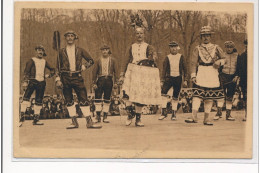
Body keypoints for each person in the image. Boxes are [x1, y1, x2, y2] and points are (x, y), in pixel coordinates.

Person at [55, 30, 101, 129]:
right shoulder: (61, 51)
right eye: (68, 36)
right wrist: (58, 79)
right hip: (65, 77)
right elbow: (57, 67)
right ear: (65, 38)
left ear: (75, 38)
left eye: (72, 36)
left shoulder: (80, 50)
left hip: (77, 77)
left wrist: (83, 67)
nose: (70, 38)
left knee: (83, 98)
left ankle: (89, 122)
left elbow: (91, 60)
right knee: (68, 100)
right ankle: (74, 122)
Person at [185, 26, 226, 126]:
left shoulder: (216, 47)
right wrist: (193, 75)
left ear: (210, 36)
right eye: (203, 36)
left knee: (209, 96)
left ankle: (207, 118)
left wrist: (219, 62)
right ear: (201, 37)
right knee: (197, 95)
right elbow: (193, 63)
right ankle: (193, 116)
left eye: (207, 35)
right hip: (202, 72)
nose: (205, 38)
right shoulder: (197, 48)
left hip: (212, 72)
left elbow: (224, 59)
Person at [120, 27, 160, 127]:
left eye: (141, 33)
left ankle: (138, 118)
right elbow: (126, 60)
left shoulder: (148, 46)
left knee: (139, 95)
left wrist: (153, 56)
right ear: (135, 35)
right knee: (127, 92)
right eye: (137, 33)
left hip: (142, 72)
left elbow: (153, 57)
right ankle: (130, 114)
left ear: (144, 35)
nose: (139, 35)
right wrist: (122, 74)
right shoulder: (131, 47)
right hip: (131, 71)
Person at [20, 45, 55, 125]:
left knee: (39, 100)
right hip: (32, 81)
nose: (40, 52)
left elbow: (53, 69)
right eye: (39, 50)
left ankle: (36, 119)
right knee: (26, 98)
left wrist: (49, 75)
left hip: (41, 82)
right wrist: (25, 82)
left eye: (42, 51)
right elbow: (26, 72)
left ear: (43, 52)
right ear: (36, 51)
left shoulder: (44, 61)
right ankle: (21, 118)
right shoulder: (31, 60)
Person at [158, 41, 188, 121]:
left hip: (178, 78)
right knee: (163, 93)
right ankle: (163, 112)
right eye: (172, 47)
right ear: (170, 48)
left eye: (175, 47)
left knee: (175, 96)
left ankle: (174, 113)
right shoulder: (167, 57)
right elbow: (164, 69)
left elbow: (185, 69)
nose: (173, 49)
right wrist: (162, 80)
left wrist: (185, 80)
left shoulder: (181, 57)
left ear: (177, 48)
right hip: (169, 78)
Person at [92, 45, 119, 124]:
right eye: (103, 50)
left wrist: (116, 82)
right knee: (98, 98)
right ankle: (97, 116)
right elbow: (94, 72)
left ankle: (105, 116)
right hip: (100, 80)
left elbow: (116, 72)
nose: (104, 51)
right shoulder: (98, 60)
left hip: (109, 80)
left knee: (107, 98)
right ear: (101, 51)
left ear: (108, 51)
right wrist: (93, 83)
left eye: (106, 50)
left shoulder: (113, 60)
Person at [214, 41, 239, 121]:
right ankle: (218, 113)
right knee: (221, 95)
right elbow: (217, 65)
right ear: (225, 48)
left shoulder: (237, 56)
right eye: (227, 47)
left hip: (232, 77)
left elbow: (239, 67)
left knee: (230, 96)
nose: (229, 49)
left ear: (233, 48)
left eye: (230, 47)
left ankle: (228, 115)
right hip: (223, 76)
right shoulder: (222, 55)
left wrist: (236, 75)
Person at [237, 39, 248, 121]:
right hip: (245, 81)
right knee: (246, 97)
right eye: (246, 45)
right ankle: (247, 114)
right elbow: (239, 69)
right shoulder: (242, 56)